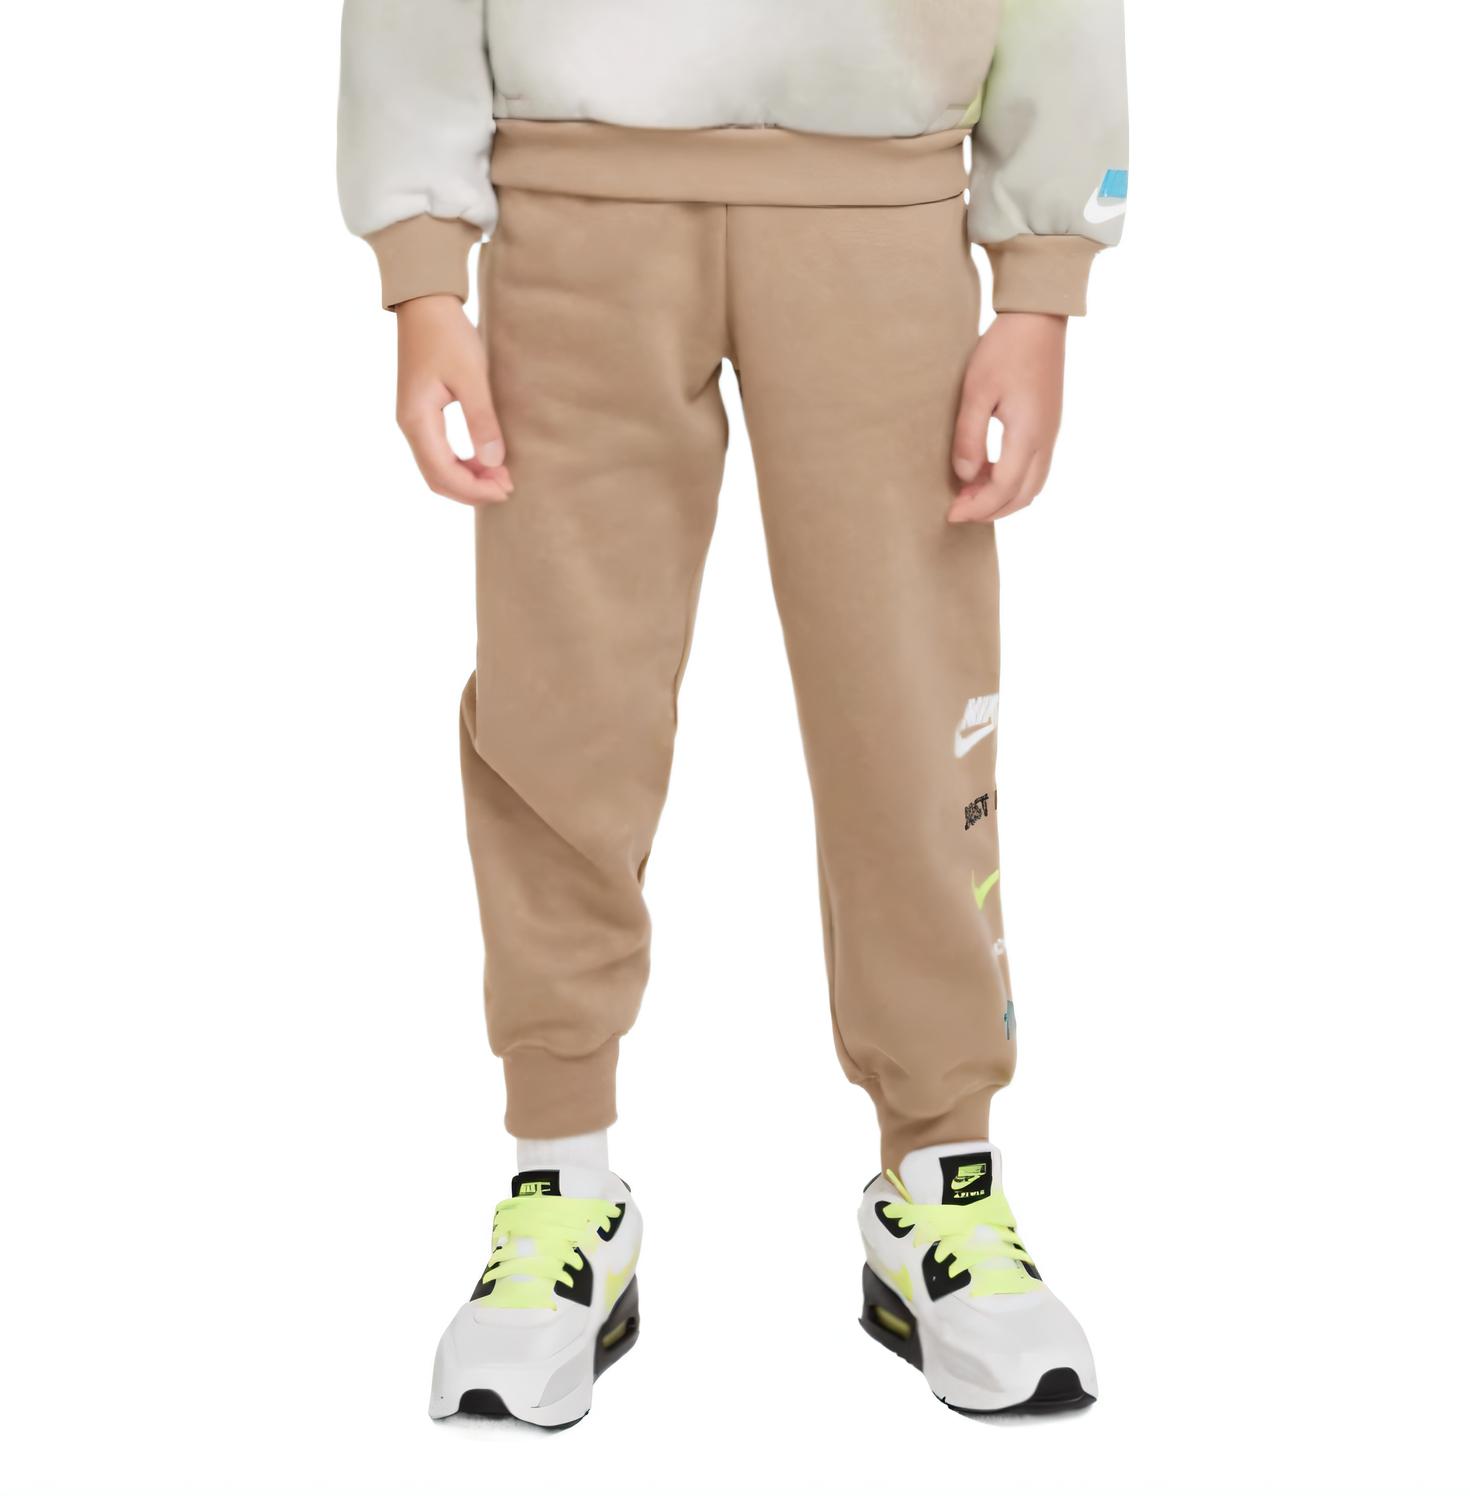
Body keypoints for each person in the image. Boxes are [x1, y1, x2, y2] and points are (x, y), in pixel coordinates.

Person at [338, 0, 1127, 1428]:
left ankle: (942, 1175)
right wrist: (422, 267)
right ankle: (560, 1177)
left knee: (909, 709)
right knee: (560, 707)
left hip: (883, 194)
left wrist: (1041, 278)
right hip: (572, 202)